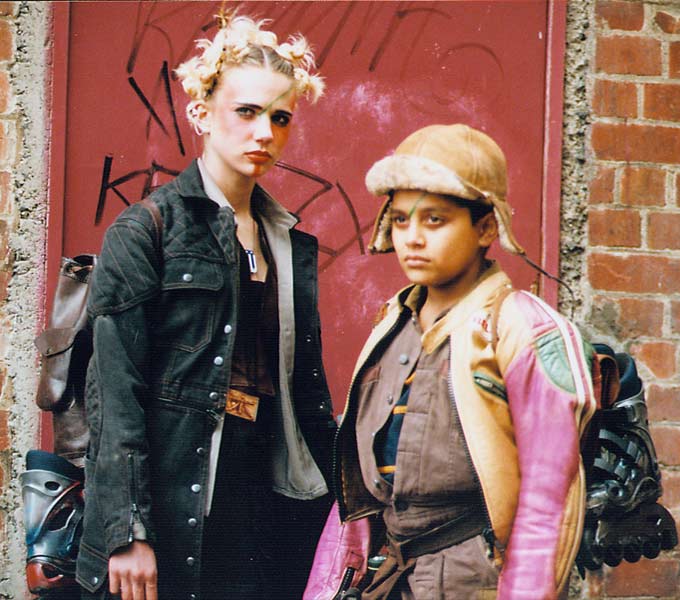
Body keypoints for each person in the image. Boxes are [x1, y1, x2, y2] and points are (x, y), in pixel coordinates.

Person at [76, 14, 336, 600]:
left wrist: (347, 504)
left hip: (266, 497)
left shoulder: (288, 243)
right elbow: (114, 395)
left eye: (280, 117)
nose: (264, 132)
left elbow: (304, 390)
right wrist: (128, 531)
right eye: (246, 112)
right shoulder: (147, 229)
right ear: (202, 113)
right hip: (177, 495)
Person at [304, 124, 598, 600]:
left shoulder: (524, 328)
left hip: (475, 580)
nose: (413, 238)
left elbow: (549, 504)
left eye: (435, 220)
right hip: (390, 578)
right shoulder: (392, 323)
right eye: (401, 220)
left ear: (486, 228)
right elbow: (356, 502)